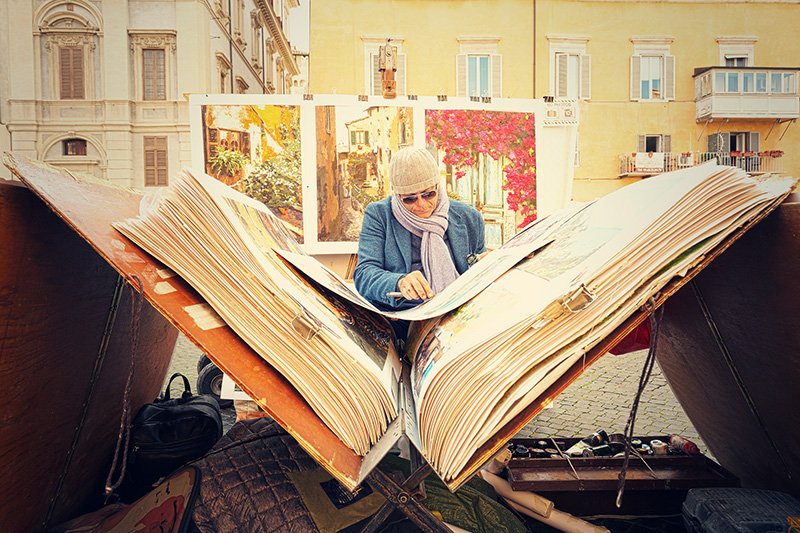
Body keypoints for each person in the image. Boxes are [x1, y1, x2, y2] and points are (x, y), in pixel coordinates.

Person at [354, 146, 486, 341]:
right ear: (397, 195)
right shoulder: (379, 215)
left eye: (428, 194)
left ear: (437, 186)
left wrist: (488, 266)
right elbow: (364, 274)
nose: (421, 204)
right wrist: (399, 281)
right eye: (409, 199)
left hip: (459, 321)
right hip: (401, 324)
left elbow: (479, 274)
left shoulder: (469, 218)